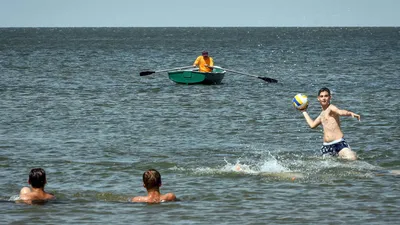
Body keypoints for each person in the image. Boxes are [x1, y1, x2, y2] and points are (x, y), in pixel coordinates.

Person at [300, 87, 360, 160]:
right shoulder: (321, 115)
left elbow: (340, 112)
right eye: (321, 96)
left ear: (330, 97)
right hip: (326, 146)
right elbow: (312, 125)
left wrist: (349, 113)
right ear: (318, 98)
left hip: (338, 143)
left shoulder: (331, 108)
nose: (324, 98)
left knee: (352, 158)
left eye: (326, 96)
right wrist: (304, 112)